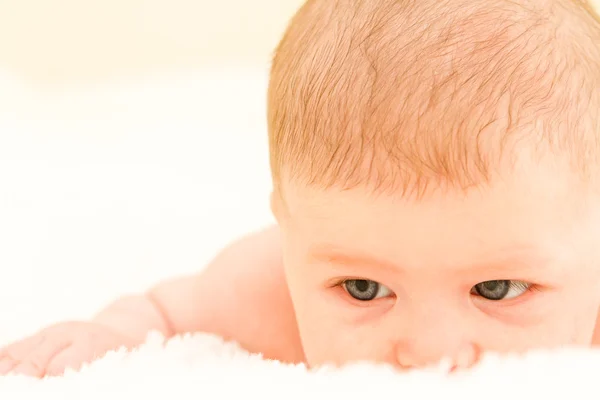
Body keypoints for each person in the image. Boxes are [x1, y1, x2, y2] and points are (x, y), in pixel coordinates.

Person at [2, 0, 600, 377]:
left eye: (497, 289)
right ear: (289, 234)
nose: (428, 353)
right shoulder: (264, 290)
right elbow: (162, 309)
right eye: (364, 289)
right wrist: (112, 336)